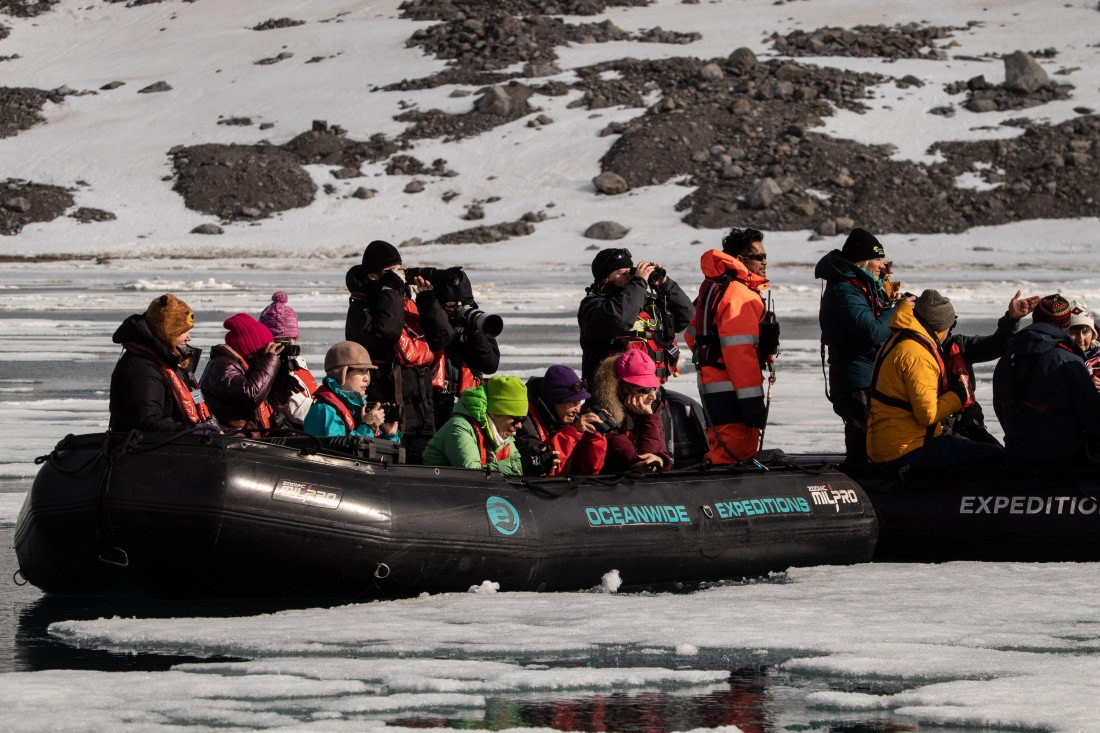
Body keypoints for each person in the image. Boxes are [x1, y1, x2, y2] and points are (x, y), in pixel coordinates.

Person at [867, 290, 1005, 469]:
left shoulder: (900, 339)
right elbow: (928, 415)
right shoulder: (917, 354)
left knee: (979, 448)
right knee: (996, 456)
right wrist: (959, 395)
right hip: (907, 447)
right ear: (939, 327)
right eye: (949, 326)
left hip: (890, 441)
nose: (950, 332)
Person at [345, 240, 453, 462]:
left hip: (424, 413)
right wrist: (390, 288)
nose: (399, 276)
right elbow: (387, 332)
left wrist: (426, 298)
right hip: (389, 416)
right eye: (390, 271)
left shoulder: (403, 301)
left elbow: (443, 337)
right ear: (373, 276)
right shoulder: (362, 308)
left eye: (399, 270)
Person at [816, 227, 910, 469]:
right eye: (878, 259)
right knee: (863, 437)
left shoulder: (864, 285)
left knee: (875, 436)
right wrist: (898, 311)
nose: (882, 264)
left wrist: (893, 302)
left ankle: (871, 479)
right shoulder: (844, 290)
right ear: (864, 260)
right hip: (856, 380)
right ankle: (862, 481)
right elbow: (872, 332)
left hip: (871, 375)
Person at [684, 227, 777, 465]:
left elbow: (693, 332)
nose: (764, 262)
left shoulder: (716, 286)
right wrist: (751, 401)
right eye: (759, 257)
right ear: (740, 260)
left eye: (765, 256)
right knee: (736, 453)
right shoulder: (739, 294)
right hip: (734, 388)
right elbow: (740, 352)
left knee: (721, 445)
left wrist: (710, 357)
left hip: (714, 383)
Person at [993, 295, 1100, 466]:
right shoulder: (1067, 361)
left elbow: (1000, 409)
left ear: (1035, 319)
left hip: (1017, 453)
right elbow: (1093, 417)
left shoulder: (1006, 359)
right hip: (1064, 456)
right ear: (1066, 325)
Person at [577, 247, 694, 386]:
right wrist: (639, 283)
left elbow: (686, 315)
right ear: (604, 278)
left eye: (630, 271)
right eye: (622, 273)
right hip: (611, 394)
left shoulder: (645, 303)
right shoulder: (594, 307)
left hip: (650, 391)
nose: (629, 276)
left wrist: (665, 285)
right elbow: (620, 318)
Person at [109, 293, 216, 433]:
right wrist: (189, 432)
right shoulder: (142, 367)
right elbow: (146, 421)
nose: (189, 338)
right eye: (183, 332)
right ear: (167, 333)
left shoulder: (176, 362)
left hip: (175, 444)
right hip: (147, 449)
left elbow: (195, 397)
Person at [427, 267, 501, 428]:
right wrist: (440, 318)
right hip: (433, 403)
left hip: (469, 403)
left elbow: (490, 365)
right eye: (451, 305)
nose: (457, 309)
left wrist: (475, 333)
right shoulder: (429, 319)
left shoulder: (477, 322)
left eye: (463, 304)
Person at [422, 375, 527, 475]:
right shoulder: (460, 428)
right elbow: (472, 475)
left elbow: (518, 469)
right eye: (516, 419)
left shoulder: (503, 433)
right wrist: (511, 467)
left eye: (523, 420)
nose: (519, 425)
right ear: (495, 413)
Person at [515, 364, 607, 476]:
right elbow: (545, 467)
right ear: (554, 400)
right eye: (573, 402)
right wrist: (571, 434)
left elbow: (588, 471)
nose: (578, 410)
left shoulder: (568, 417)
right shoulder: (524, 420)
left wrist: (594, 436)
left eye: (579, 402)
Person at [589, 350, 672, 474]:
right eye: (645, 389)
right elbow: (639, 465)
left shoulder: (650, 408)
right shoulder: (603, 413)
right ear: (624, 387)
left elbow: (660, 453)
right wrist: (648, 419)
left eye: (655, 388)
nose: (653, 396)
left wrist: (660, 460)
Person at [199, 313, 281, 435]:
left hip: (241, 435)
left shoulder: (243, 366)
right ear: (250, 349)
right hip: (229, 438)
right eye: (263, 349)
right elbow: (251, 395)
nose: (265, 353)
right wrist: (270, 361)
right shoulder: (223, 366)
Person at [303, 341, 399, 442]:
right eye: (361, 371)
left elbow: (377, 454)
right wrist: (367, 426)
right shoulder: (324, 410)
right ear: (342, 374)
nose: (366, 378)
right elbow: (337, 453)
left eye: (367, 371)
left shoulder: (358, 408)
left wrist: (389, 435)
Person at [258, 290, 317, 430]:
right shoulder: (267, 370)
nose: (288, 346)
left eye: (292, 339)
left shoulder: (298, 363)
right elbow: (296, 410)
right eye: (281, 342)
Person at [1067, 300, 1100, 376]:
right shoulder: (1059, 358)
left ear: (1093, 334)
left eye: (1085, 332)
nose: (1081, 338)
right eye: (1074, 332)